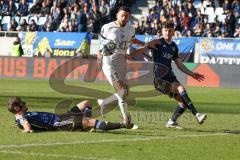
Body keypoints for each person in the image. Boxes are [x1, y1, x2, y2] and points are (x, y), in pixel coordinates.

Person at [97, 6, 159, 128]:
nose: (124, 18)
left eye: (126, 16)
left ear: (129, 17)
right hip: (109, 63)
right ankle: (108, 105)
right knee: (122, 91)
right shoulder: (107, 27)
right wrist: (100, 56)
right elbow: (101, 45)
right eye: (122, 15)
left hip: (122, 62)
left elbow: (133, 40)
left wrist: (146, 44)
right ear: (117, 15)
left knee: (125, 93)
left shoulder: (131, 28)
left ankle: (126, 120)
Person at [152, 21, 207, 129]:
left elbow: (180, 65)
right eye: (165, 30)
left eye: (170, 31)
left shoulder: (173, 47)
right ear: (162, 31)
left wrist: (192, 74)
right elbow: (145, 47)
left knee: (183, 103)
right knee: (180, 88)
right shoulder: (157, 43)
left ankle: (171, 122)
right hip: (159, 79)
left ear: (173, 32)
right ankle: (197, 114)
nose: (167, 32)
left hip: (170, 76)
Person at [8, 97, 129, 133]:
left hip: (61, 116)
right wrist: (27, 130)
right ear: (17, 108)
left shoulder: (24, 114)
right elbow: (25, 124)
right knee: (88, 121)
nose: (24, 103)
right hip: (57, 123)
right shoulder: (21, 117)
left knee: (86, 103)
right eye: (21, 103)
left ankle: (88, 126)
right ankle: (124, 124)